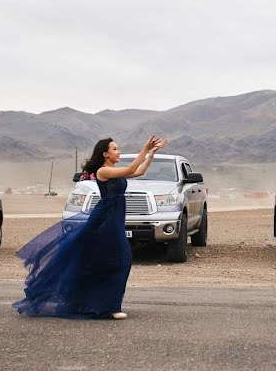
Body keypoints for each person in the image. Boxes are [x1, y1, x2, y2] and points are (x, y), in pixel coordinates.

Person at [13, 135, 167, 319]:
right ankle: (110, 307)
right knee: (121, 258)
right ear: (105, 154)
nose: (119, 152)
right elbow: (132, 168)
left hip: (114, 218)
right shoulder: (103, 171)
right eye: (115, 149)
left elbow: (139, 171)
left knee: (109, 260)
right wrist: (144, 148)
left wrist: (151, 153)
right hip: (104, 220)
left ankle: (101, 304)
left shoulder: (114, 171)